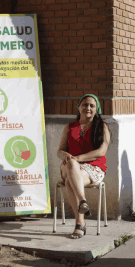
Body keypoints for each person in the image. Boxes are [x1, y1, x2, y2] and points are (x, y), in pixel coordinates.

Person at [57, 94, 110, 239]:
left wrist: (78, 158)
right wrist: (65, 156)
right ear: (79, 107)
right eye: (85, 105)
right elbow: (60, 150)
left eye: (92, 106)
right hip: (69, 166)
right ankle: (82, 201)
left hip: (93, 168)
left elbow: (101, 151)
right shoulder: (69, 127)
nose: (88, 108)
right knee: (72, 165)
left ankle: (80, 223)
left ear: (96, 109)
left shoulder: (102, 126)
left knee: (70, 181)